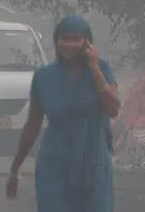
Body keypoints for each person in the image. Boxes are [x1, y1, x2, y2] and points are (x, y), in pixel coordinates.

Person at [7, 14, 121, 212]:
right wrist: (15, 169)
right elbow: (33, 124)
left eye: (75, 39)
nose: (69, 44)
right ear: (56, 41)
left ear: (87, 42)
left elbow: (113, 109)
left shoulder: (102, 69)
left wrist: (94, 68)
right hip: (55, 165)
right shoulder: (44, 77)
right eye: (64, 38)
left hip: (93, 163)